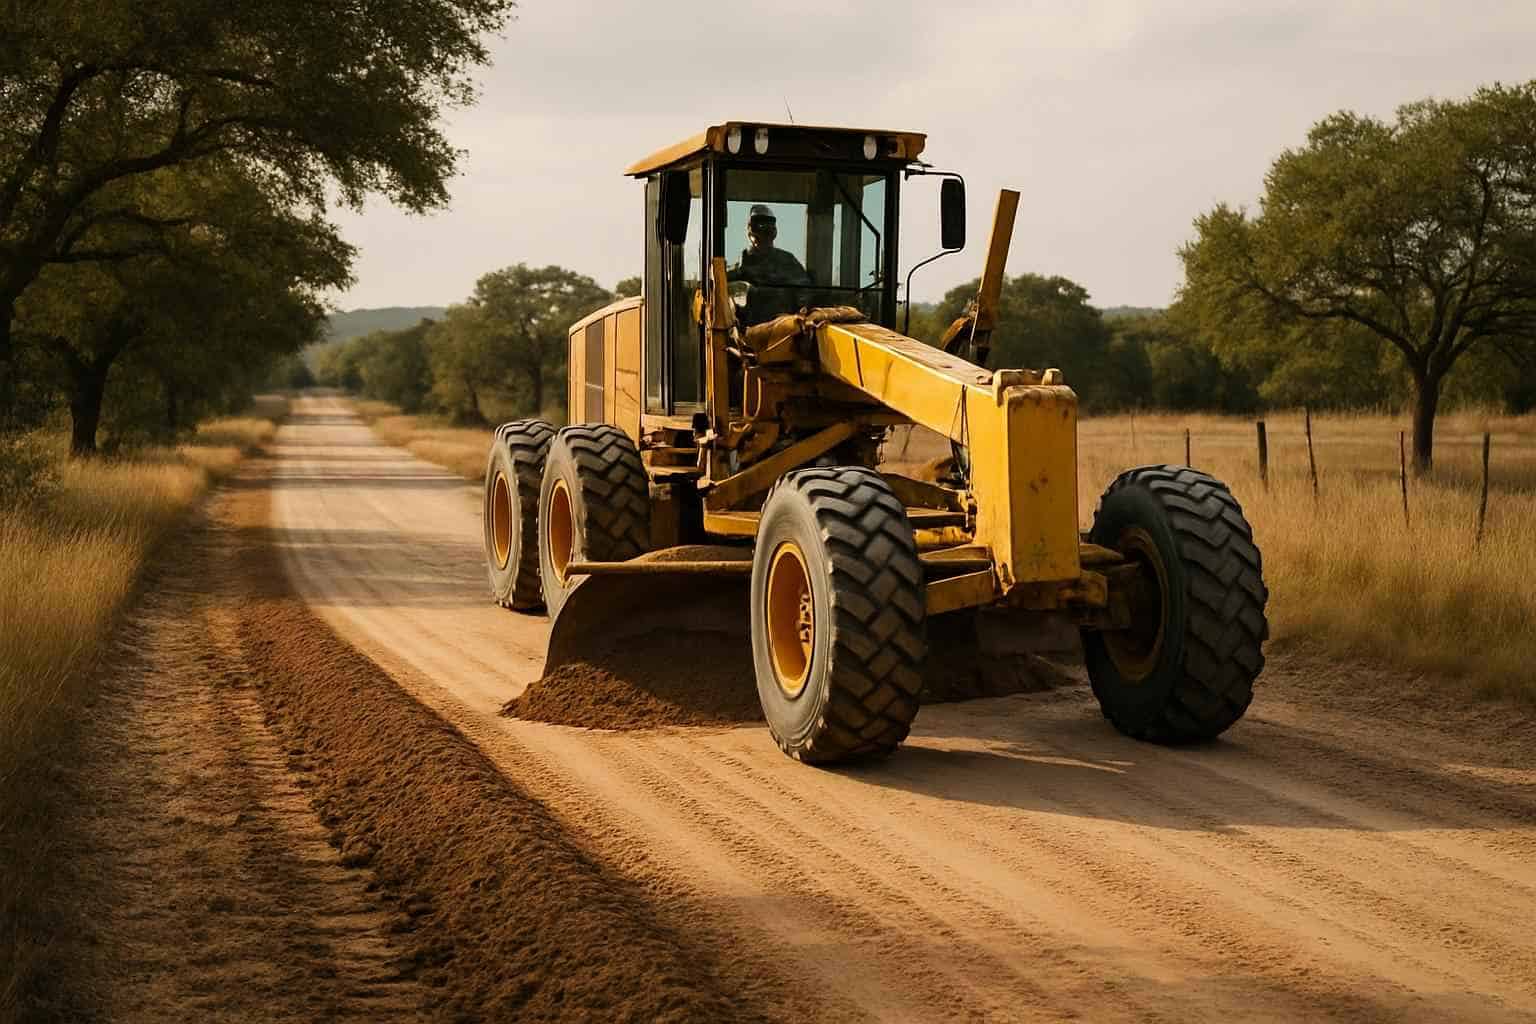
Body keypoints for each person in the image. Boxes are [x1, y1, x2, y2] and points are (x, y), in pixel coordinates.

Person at [729, 205, 809, 323]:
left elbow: (805, 292)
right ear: (750, 230)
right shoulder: (737, 271)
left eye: (768, 227)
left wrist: (801, 313)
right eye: (758, 226)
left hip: (784, 331)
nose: (763, 233)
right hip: (749, 334)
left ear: (773, 233)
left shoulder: (787, 261)